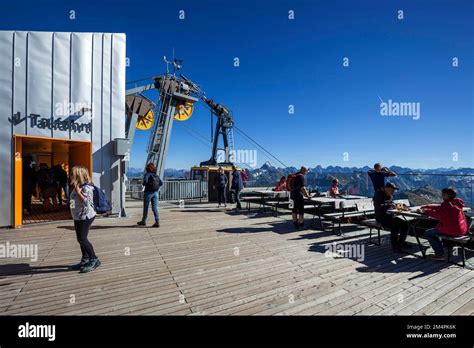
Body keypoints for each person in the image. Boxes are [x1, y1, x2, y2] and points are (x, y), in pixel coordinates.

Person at [421, 188, 468, 261]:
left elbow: (437, 215)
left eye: (443, 194)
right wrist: (428, 206)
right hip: (461, 229)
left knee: (428, 233)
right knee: (436, 230)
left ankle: (439, 254)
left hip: (453, 230)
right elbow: (441, 207)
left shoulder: (447, 205)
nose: (441, 195)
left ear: (446, 195)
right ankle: (441, 248)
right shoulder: (455, 202)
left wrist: (425, 211)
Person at [69, 165, 100, 273]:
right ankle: (85, 259)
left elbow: (87, 203)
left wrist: (78, 192)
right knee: (80, 239)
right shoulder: (77, 186)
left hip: (86, 216)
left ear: (78, 175)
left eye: (72, 174)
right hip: (77, 216)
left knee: (82, 238)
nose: (70, 175)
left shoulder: (87, 187)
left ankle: (94, 259)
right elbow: (72, 201)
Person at [373, 182, 411, 252]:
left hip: (390, 216)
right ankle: (395, 246)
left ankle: (401, 242)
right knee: (395, 226)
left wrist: (396, 206)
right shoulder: (378, 195)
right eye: (392, 190)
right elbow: (378, 206)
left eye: (394, 190)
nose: (393, 191)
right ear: (386, 189)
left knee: (405, 225)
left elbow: (391, 205)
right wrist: (388, 206)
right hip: (380, 217)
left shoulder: (390, 196)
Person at [137, 163, 162, 227]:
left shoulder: (147, 174)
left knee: (146, 207)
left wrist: (143, 183)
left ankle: (143, 221)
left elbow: (145, 182)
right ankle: (157, 221)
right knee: (154, 208)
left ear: (147, 168)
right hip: (155, 193)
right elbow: (161, 183)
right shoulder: (156, 175)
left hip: (148, 193)